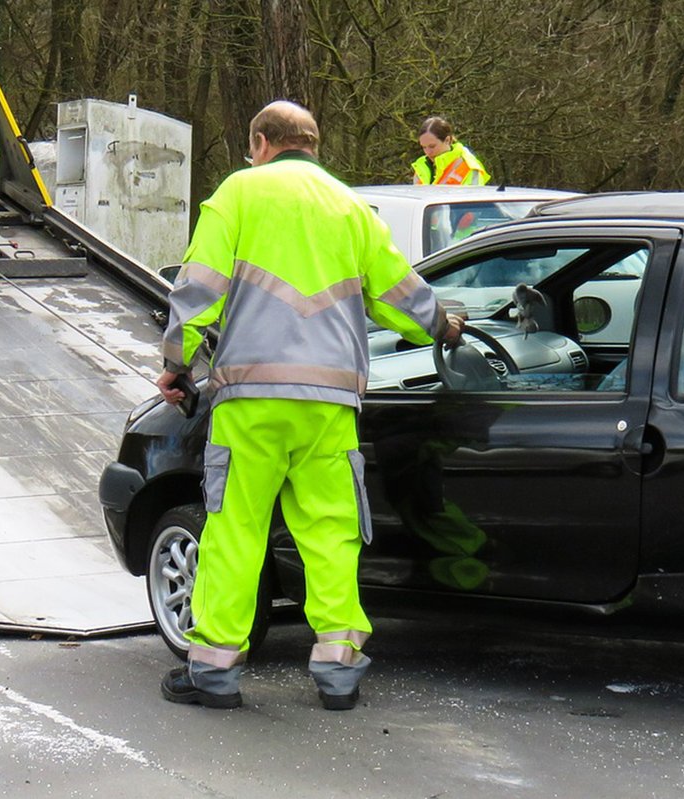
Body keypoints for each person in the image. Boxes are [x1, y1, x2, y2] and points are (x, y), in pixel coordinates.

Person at [156, 100, 463, 711]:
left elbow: (199, 290)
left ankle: (214, 669)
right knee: (331, 533)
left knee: (236, 528)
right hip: (330, 403)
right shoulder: (353, 208)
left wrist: (176, 363)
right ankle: (338, 671)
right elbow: (399, 292)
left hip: (252, 399)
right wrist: (443, 326)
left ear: (262, 143)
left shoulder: (238, 194)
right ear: (314, 146)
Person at [411, 116, 491, 186]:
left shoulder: (469, 166)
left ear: (447, 140)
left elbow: (473, 201)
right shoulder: (421, 166)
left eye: (432, 146)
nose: (427, 152)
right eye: (424, 147)